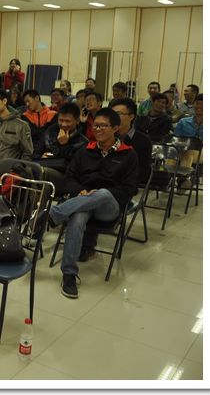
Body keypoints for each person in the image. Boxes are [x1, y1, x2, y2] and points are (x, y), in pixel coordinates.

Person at [51, 108, 138, 299]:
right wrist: (80, 191)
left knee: (103, 193)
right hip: (83, 202)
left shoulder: (128, 154)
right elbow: (69, 178)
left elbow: (129, 189)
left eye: (103, 126)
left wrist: (96, 195)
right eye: (95, 126)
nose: (97, 129)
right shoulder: (85, 151)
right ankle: (69, 274)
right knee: (78, 216)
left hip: (109, 206)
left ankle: (53, 214)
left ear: (115, 128)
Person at [34, 102, 89, 194]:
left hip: (66, 178)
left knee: (42, 173)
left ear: (77, 121)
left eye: (68, 121)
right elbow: (36, 153)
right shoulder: (50, 131)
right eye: (61, 120)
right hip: (44, 167)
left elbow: (74, 169)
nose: (63, 124)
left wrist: (63, 145)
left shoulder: (82, 142)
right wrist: (41, 157)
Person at [110, 98, 152, 185]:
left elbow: (143, 171)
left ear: (131, 116)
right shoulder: (108, 136)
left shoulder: (143, 141)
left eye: (118, 114)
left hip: (126, 185)